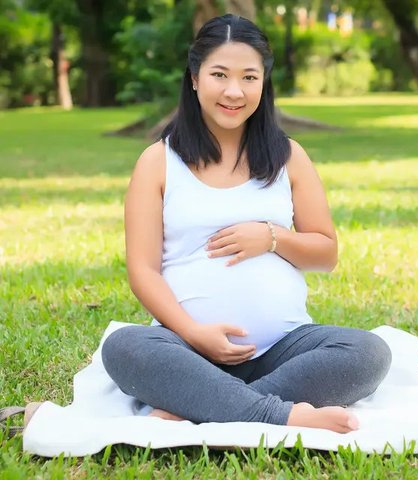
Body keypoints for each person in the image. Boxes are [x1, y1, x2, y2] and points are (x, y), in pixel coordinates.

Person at [101, 14, 391, 434]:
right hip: (186, 347)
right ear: (195, 78)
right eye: (219, 74)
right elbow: (143, 271)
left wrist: (272, 238)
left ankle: (202, 402)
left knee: (369, 352)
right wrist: (195, 334)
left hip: (283, 349)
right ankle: (280, 415)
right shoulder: (158, 161)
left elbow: (326, 254)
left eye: (249, 77)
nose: (234, 91)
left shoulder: (289, 156)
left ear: (264, 83)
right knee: (124, 347)